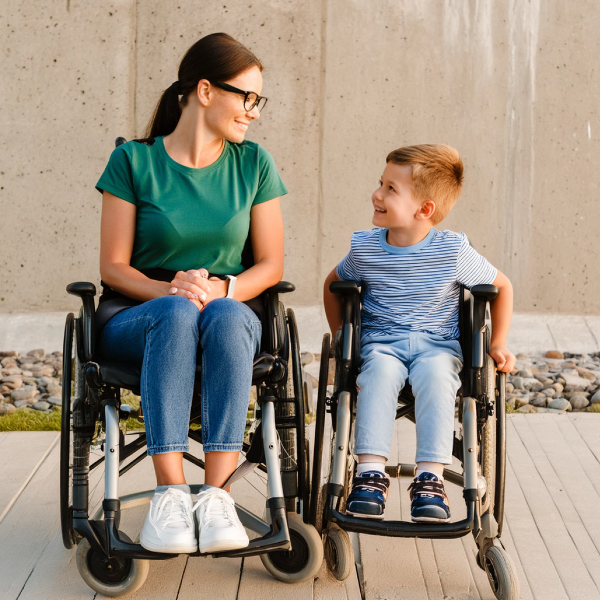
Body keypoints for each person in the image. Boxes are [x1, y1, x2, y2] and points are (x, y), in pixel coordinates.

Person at [95, 33, 287, 553]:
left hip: (228, 311)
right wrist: (170, 289)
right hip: (140, 317)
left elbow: (270, 265)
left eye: (256, 101)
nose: (253, 111)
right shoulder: (134, 162)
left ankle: (216, 496)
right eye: (246, 97)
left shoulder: (254, 165)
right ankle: (170, 495)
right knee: (177, 313)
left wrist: (223, 287)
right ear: (205, 91)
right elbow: (112, 266)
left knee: (224, 314)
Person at [323, 144, 515, 522]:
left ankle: (430, 477)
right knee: (378, 373)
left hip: (437, 346)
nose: (376, 194)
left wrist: (498, 343)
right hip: (381, 344)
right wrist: (343, 340)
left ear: (424, 209)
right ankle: (369, 474)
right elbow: (334, 285)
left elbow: (501, 287)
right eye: (381, 183)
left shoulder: (452, 250)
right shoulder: (364, 248)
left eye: (390, 189)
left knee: (437, 376)